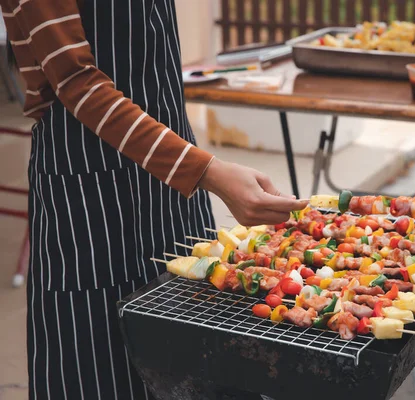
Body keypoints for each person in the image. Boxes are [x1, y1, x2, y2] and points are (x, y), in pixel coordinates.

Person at [0, 0, 307, 399]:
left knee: (202, 360)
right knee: (101, 369)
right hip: (90, 196)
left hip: (176, 184)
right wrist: (207, 171)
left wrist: (199, 169)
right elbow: (76, 82)